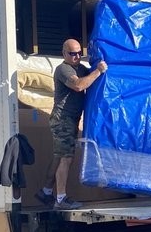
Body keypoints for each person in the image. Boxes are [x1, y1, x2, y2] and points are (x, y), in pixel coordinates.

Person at [38, 39, 107, 210]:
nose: (76, 56)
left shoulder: (80, 68)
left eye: (78, 53)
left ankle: (45, 192)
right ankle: (61, 198)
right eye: (72, 53)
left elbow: (88, 78)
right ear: (64, 54)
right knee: (66, 158)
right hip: (63, 119)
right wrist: (98, 70)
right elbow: (78, 85)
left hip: (70, 119)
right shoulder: (64, 69)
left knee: (59, 156)